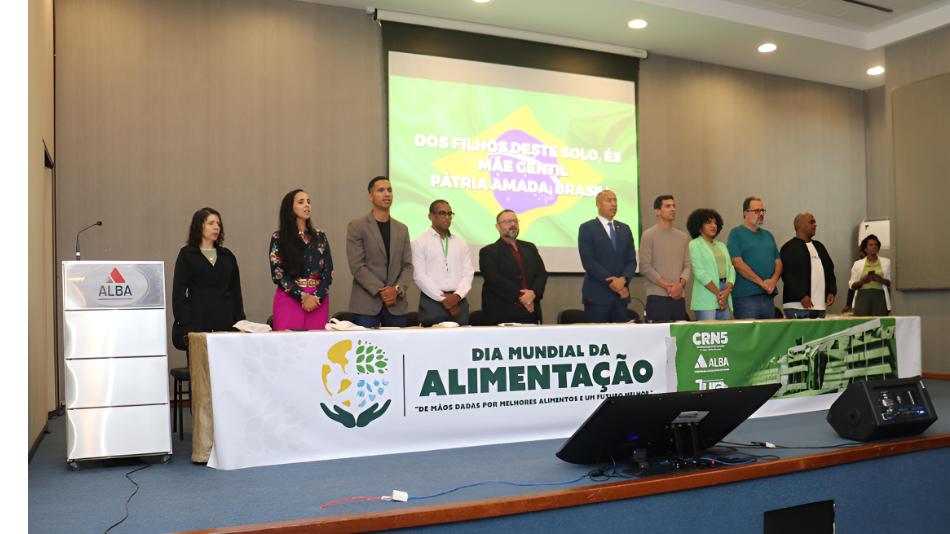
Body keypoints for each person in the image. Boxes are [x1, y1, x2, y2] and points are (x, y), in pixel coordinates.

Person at [172, 207, 246, 351]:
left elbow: (236, 293)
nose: (216, 227)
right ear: (199, 226)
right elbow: (178, 293)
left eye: (218, 224)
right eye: (211, 223)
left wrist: (240, 323)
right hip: (197, 324)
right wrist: (186, 324)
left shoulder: (227, 256)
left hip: (225, 323)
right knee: (201, 364)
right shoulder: (187, 255)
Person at [346, 176, 413, 328]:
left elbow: (408, 266)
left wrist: (396, 290)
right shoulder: (357, 226)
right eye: (381, 190)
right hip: (367, 305)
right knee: (366, 344)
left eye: (389, 190)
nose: (387, 194)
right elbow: (357, 266)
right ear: (370, 196)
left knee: (398, 344)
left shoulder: (402, 229)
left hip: (396, 304)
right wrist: (382, 291)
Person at [269, 189, 333, 330]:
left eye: (308, 202)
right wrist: (302, 296)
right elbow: (278, 274)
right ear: (290, 207)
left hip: (317, 301)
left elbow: (328, 271)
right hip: (289, 298)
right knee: (287, 342)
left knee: (316, 342)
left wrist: (316, 296)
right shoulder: (279, 238)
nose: (307, 205)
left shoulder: (320, 236)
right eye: (301, 202)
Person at [577, 190, 638, 323]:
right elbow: (589, 262)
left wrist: (623, 280)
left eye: (615, 200)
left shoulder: (625, 229)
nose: (613, 204)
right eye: (609, 200)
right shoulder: (587, 228)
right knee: (597, 335)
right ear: (598, 204)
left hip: (620, 297)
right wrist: (613, 282)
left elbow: (631, 261)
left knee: (620, 335)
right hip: (597, 297)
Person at [411, 200, 474, 326]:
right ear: (430, 216)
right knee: (432, 338)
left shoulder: (461, 243)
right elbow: (419, 276)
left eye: (450, 214)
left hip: (459, 302)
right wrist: (443, 299)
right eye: (442, 213)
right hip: (432, 302)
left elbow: (468, 274)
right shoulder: (420, 243)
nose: (447, 217)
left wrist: (457, 296)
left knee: (462, 337)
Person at [479, 209, 548, 325]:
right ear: (498, 227)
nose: (512, 224)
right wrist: (522, 297)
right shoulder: (488, 252)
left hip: (530, 311)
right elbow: (494, 280)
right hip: (502, 313)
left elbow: (541, 274)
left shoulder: (530, 247)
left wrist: (533, 293)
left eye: (515, 221)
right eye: (507, 222)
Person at [727, 196, 782, 319]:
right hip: (745, 297)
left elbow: (778, 262)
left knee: (768, 331)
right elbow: (737, 262)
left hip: (768, 297)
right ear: (745, 213)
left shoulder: (768, 235)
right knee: (748, 331)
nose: (761, 214)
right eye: (756, 211)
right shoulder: (736, 233)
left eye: (763, 211)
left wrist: (773, 281)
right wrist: (761, 283)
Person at [638, 194, 691, 323]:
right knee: (658, 334)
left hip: (679, 296)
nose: (672, 209)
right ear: (657, 211)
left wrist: (680, 286)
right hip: (657, 296)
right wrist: (669, 286)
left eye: (674, 206)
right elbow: (645, 267)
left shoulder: (682, 237)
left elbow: (688, 265)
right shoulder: (648, 235)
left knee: (679, 333)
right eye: (667, 206)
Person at [779, 213, 836, 319]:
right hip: (797, 306)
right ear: (800, 225)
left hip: (819, 307)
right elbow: (787, 275)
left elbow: (829, 270)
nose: (815, 225)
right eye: (811, 222)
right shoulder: (789, 248)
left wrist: (831, 291)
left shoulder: (819, 246)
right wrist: (800, 295)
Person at [687, 208, 735, 321]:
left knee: (725, 331)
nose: (713, 226)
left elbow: (731, 269)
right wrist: (719, 294)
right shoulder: (694, 244)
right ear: (699, 226)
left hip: (725, 291)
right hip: (707, 295)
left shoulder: (721, 245)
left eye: (715, 223)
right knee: (708, 331)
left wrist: (727, 290)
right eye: (709, 223)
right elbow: (700, 273)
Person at [849, 234, 891, 316]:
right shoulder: (858, 264)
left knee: (879, 321)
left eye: (876, 245)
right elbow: (852, 285)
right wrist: (863, 281)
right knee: (862, 321)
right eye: (871, 245)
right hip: (863, 297)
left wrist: (881, 279)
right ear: (865, 249)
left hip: (880, 297)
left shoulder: (887, 262)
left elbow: (891, 283)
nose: (874, 246)